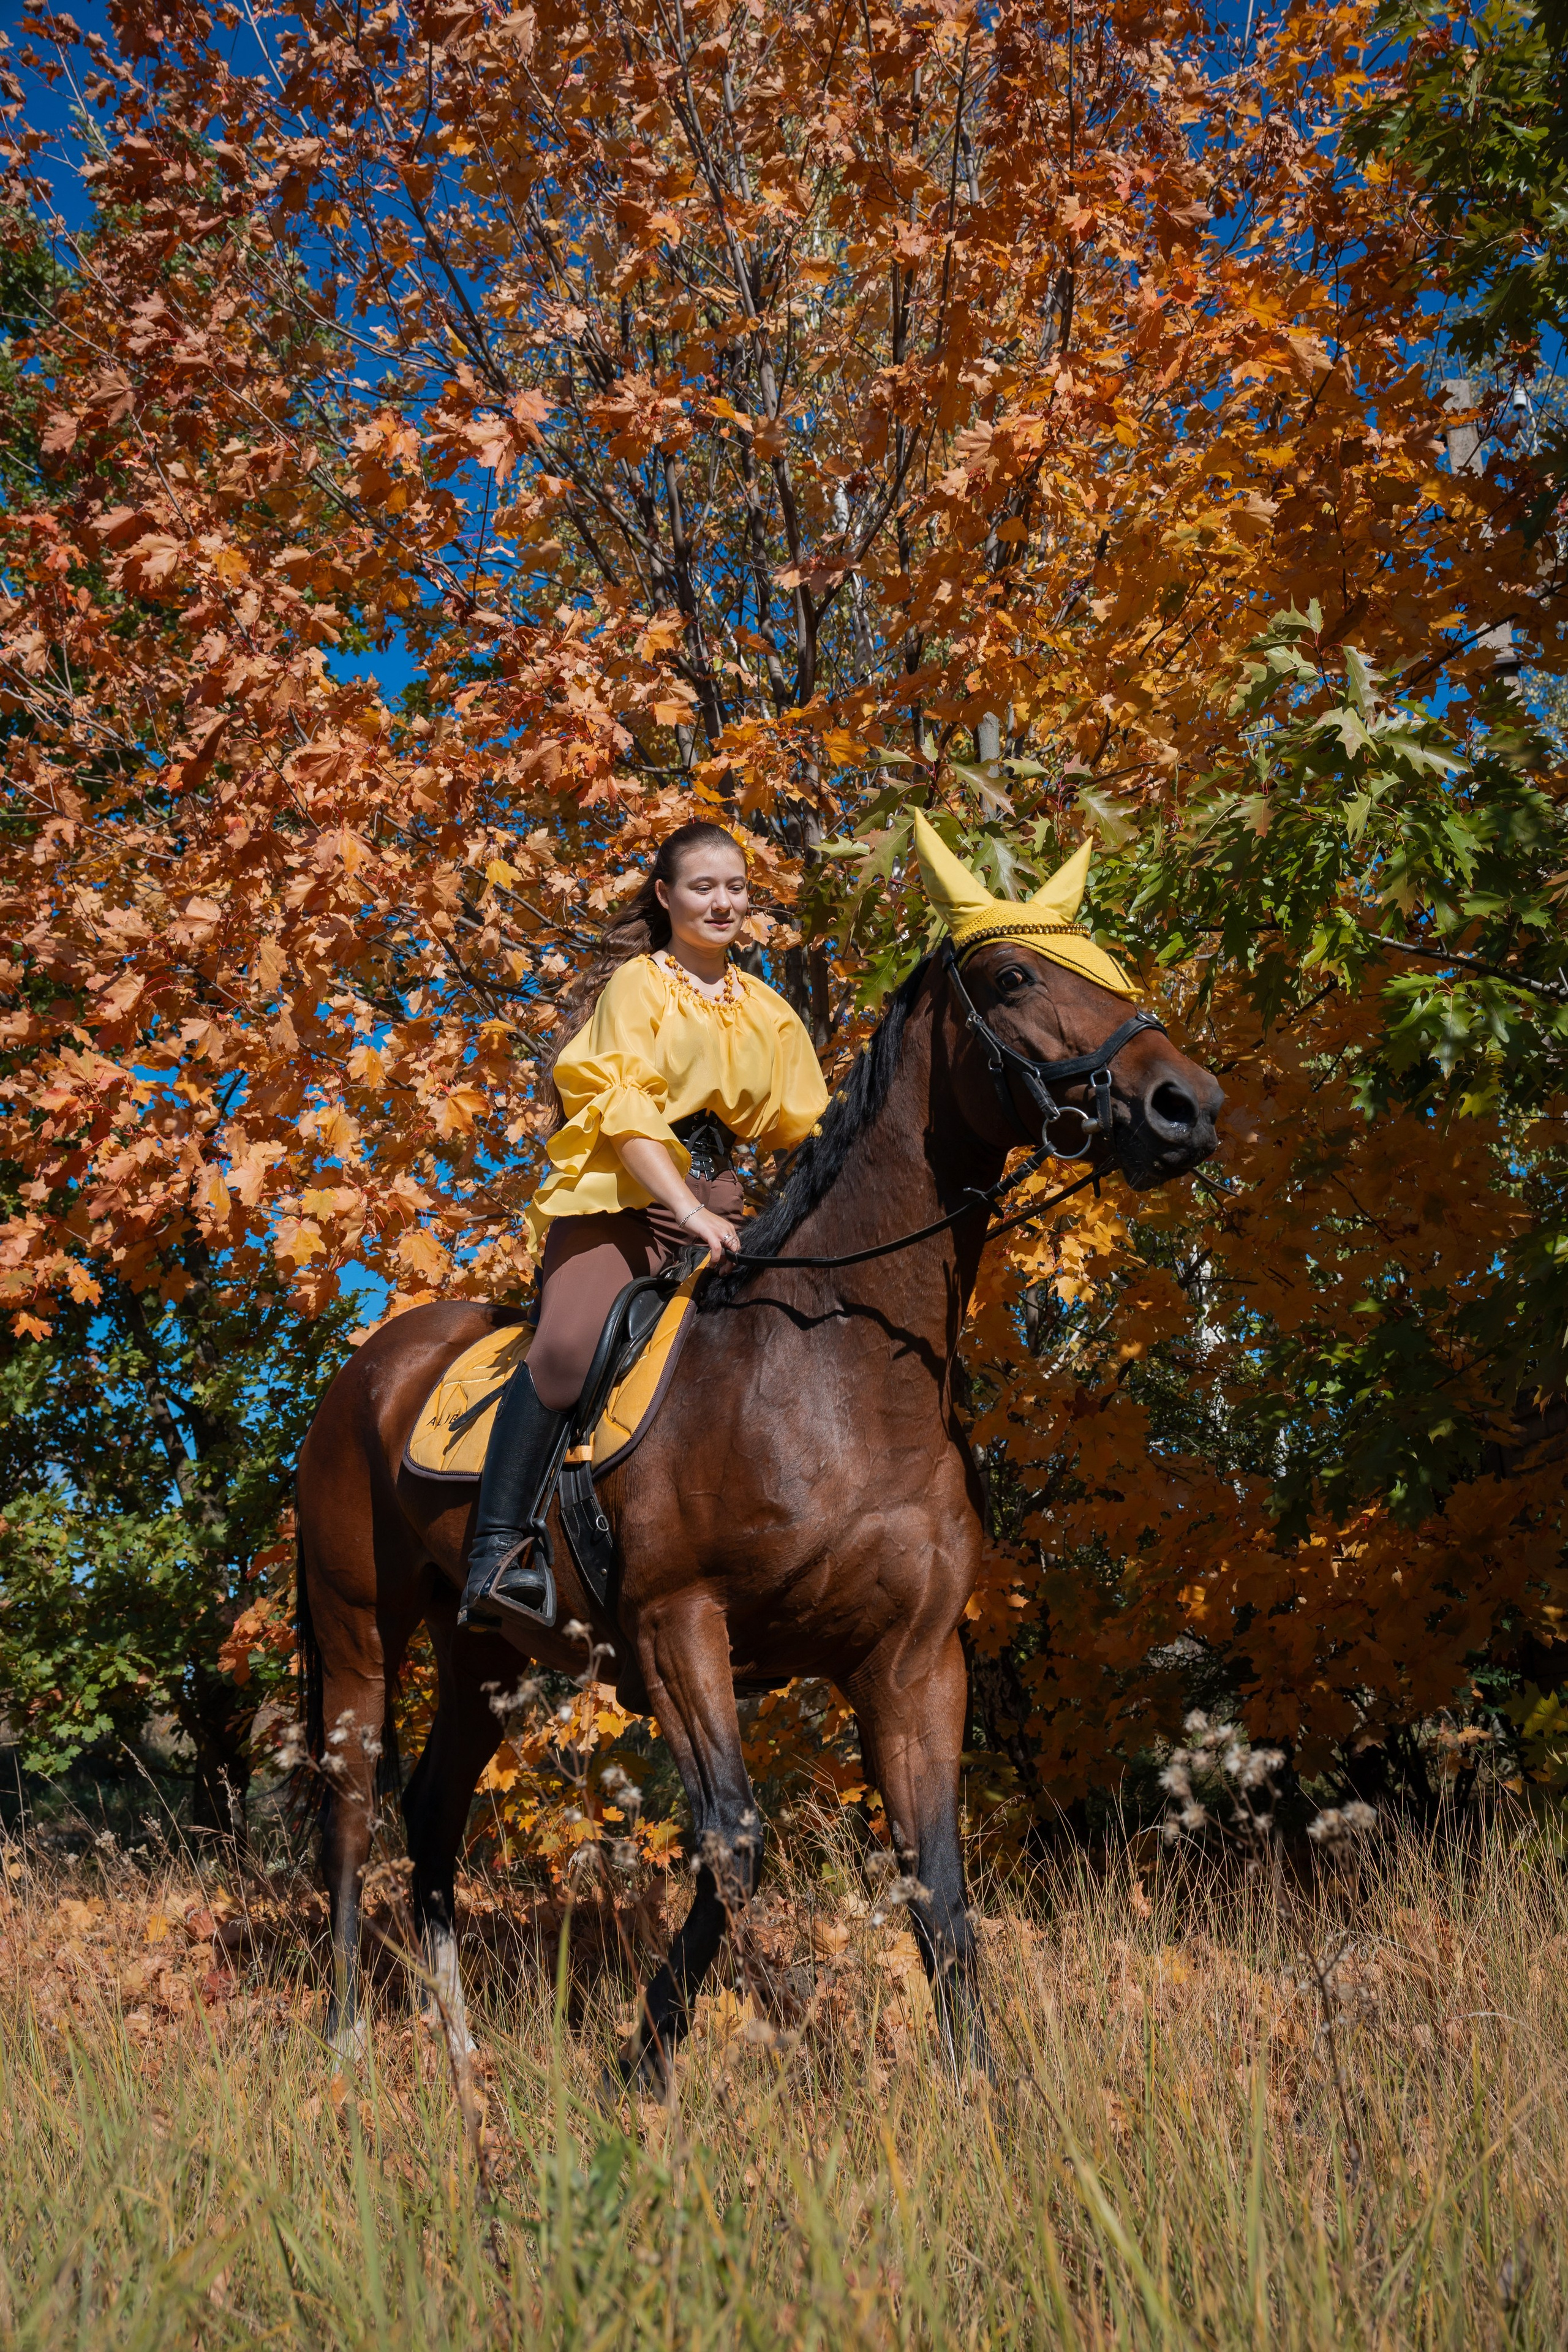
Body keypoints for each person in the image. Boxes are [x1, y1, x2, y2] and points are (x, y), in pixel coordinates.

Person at [458, 820, 830, 1637]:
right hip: (621, 1205)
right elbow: (621, 1109)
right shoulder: (639, 986)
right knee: (563, 1351)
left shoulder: (767, 1009)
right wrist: (687, 1207)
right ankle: (496, 1553)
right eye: (704, 886)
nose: (724, 900)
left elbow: (807, 1125)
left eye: (736, 885)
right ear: (666, 897)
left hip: (720, 1213)